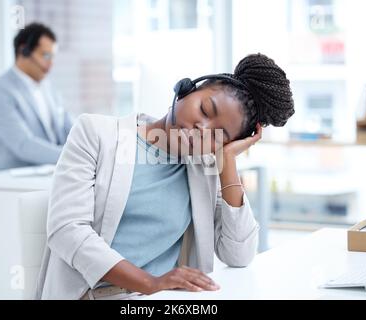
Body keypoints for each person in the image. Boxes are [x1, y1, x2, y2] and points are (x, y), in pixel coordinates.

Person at [35, 53, 295, 300]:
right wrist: (151, 283)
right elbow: (67, 231)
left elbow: (239, 254)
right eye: (205, 109)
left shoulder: (202, 167)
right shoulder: (96, 133)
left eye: (219, 134)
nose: (201, 129)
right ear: (186, 90)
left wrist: (228, 161)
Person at [0, 23, 73, 171]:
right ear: (23, 51)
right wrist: (72, 157)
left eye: (53, 57)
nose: (51, 64)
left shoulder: (49, 88)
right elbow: (23, 144)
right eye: (46, 56)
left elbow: (69, 129)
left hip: (50, 174)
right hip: (12, 178)